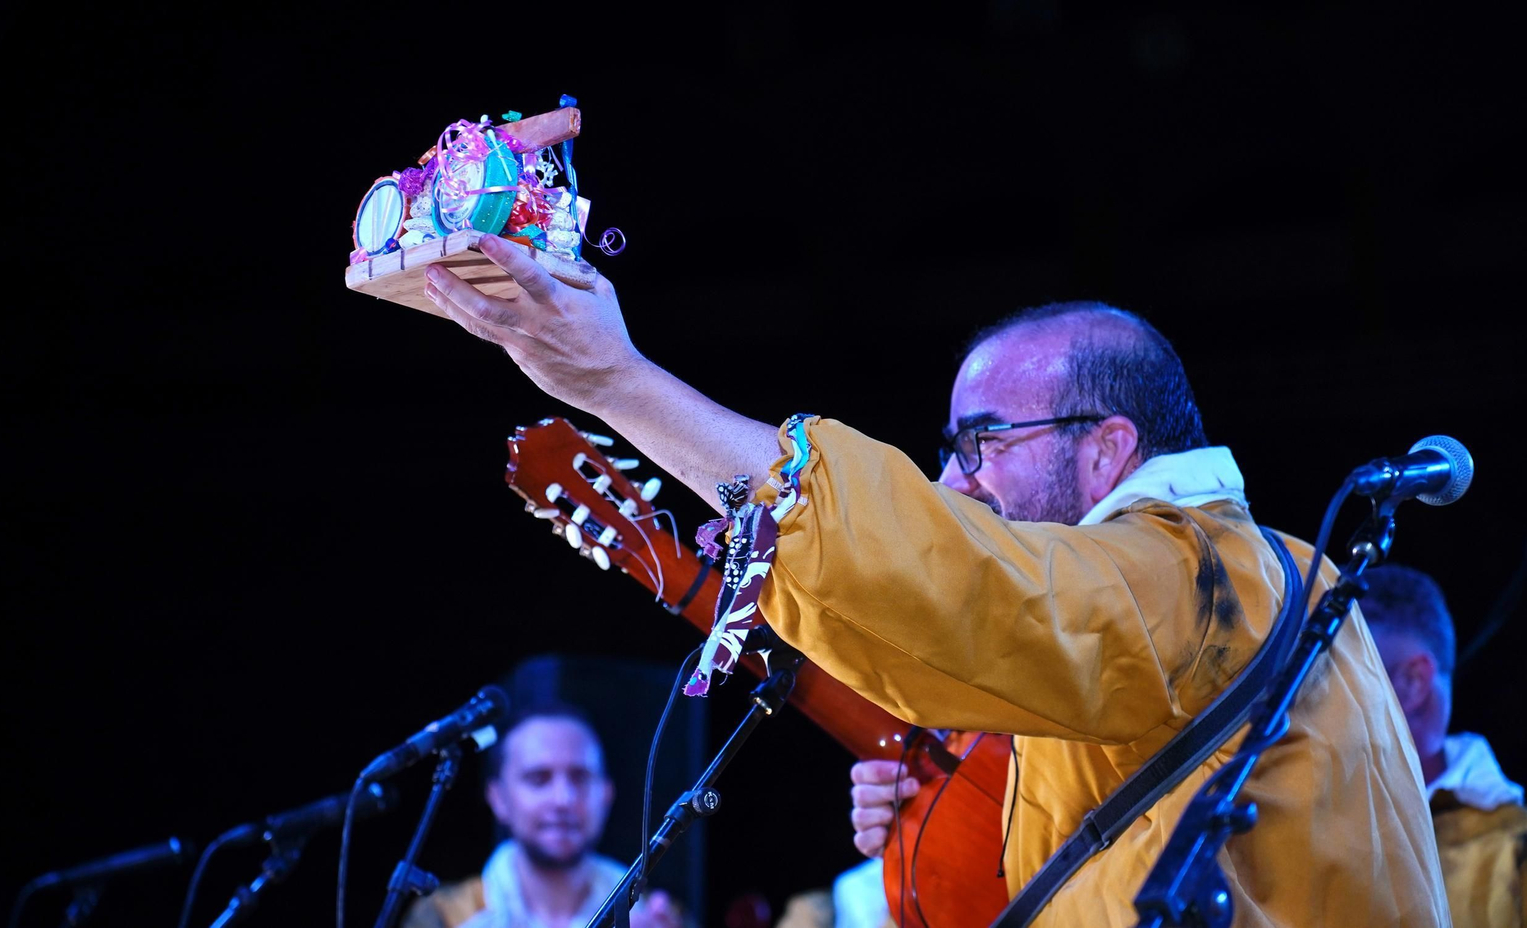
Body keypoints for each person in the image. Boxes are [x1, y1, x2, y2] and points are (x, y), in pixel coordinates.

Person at [421, 235, 1449, 925]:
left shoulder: (1196, 571)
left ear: (1107, 450)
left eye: (983, 443)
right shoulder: (1237, 577)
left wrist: (617, 381)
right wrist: (945, 810)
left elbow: (952, 584)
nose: (950, 481)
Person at [400, 703, 681, 928]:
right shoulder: (446, 915)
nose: (563, 800)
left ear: (607, 794)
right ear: (498, 798)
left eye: (580, 778)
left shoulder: (658, 915)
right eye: (538, 779)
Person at [1360, 564, 1526, 928]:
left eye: (1340, 670)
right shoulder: (1283, 806)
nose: (1304, 697)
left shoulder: (1513, 849)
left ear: (1413, 681)